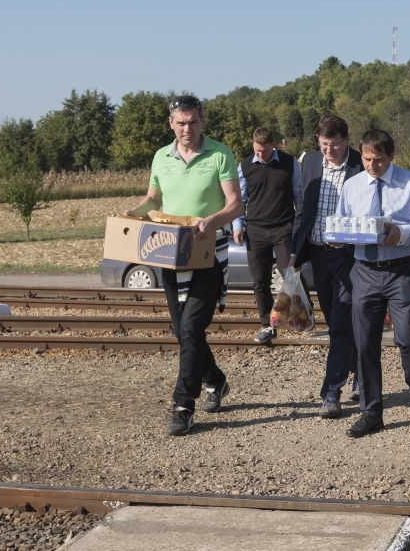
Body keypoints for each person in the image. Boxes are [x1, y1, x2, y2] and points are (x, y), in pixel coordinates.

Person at [123, 95, 243, 436]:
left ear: (202, 122)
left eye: (192, 121)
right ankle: (216, 380)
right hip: (169, 252)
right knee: (182, 332)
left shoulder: (220, 154)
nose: (187, 128)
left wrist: (213, 219)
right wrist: (134, 212)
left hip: (207, 252)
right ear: (171, 124)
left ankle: (182, 405)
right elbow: (153, 199)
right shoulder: (162, 156)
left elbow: (236, 205)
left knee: (191, 329)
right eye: (180, 123)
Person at [337, 129, 410, 437]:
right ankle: (372, 411)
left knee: (408, 337)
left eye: (378, 160)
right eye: (366, 159)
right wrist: (335, 239)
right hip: (363, 271)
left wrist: (401, 232)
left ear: (391, 156)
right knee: (365, 344)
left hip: (400, 269)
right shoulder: (352, 186)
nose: (372, 165)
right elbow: (342, 221)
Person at [289, 116, 364, 418]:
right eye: (323, 144)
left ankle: (331, 392)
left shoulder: (362, 165)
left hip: (349, 257)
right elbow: (303, 211)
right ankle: (360, 370)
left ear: (347, 140)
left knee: (343, 323)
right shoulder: (309, 163)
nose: (328, 150)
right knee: (336, 322)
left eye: (334, 144)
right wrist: (295, 253)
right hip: (318, 254)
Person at [233, 127, 301, 343]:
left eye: (264, 151)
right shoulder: (244, 166)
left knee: (290, 277)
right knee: (260, 281)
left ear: (274, 145)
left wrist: (301, 227)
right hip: (256, 231)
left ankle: (301, 318)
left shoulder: (290, 163)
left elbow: (299, 196)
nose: (260, 155)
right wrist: (237, 225)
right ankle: (268, 326)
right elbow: (239, 200)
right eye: (256, 150)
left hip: (284, 228)